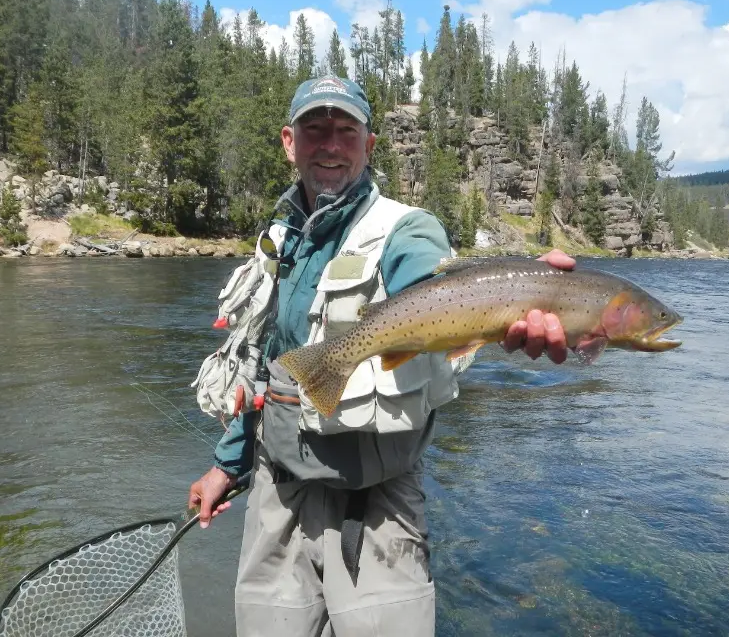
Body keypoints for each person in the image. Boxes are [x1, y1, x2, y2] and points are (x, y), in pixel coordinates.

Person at [188, 75, 575, 636]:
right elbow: (260, 358)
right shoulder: (280, 237)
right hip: (278, 494)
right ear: (288, 142)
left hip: (377, 508)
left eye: (346, 131)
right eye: (314, 129)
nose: (330, 144)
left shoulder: (408, 229)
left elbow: (429, 282)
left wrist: (519, 288)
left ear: (369, 146)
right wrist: (228, 465)